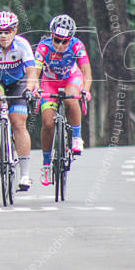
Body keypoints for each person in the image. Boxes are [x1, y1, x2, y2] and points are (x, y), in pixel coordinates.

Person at [0, 11, 39, 191]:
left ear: (15, 30)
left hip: (18, 83)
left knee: (18, 124)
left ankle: (25, 175)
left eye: (8, 31)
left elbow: (31, 72)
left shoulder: (22, 45)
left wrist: (29, 89)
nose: (4, 35)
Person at [34, 14, 92, 187]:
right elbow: (36, 71)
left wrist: (86, 90)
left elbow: (87, 72)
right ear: (51, 35)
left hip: (71, 78)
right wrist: (35, 87)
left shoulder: (77, 45)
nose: (60, 45)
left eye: (64, 41)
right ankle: (46, 164)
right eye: (56, 40)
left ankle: (76, 136)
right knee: (48, 123)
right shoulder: (43, 47)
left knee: (70, 99)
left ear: (70, 39)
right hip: (49, 82)